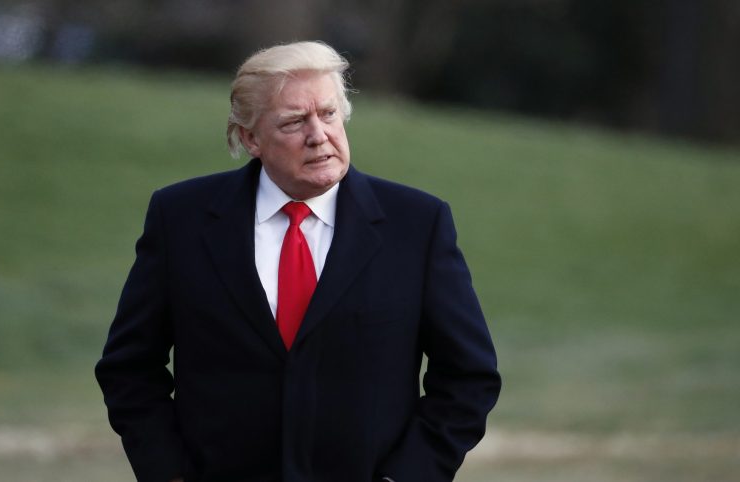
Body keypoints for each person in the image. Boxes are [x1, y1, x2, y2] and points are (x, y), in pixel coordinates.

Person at [96, 40, 501, 482]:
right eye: (294, 121)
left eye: (328, 114)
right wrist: (168, 473)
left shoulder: (418, 224)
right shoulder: (180, 218)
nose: (318, 135)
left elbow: (468, 376)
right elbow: (130, 369)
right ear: (251, 138)